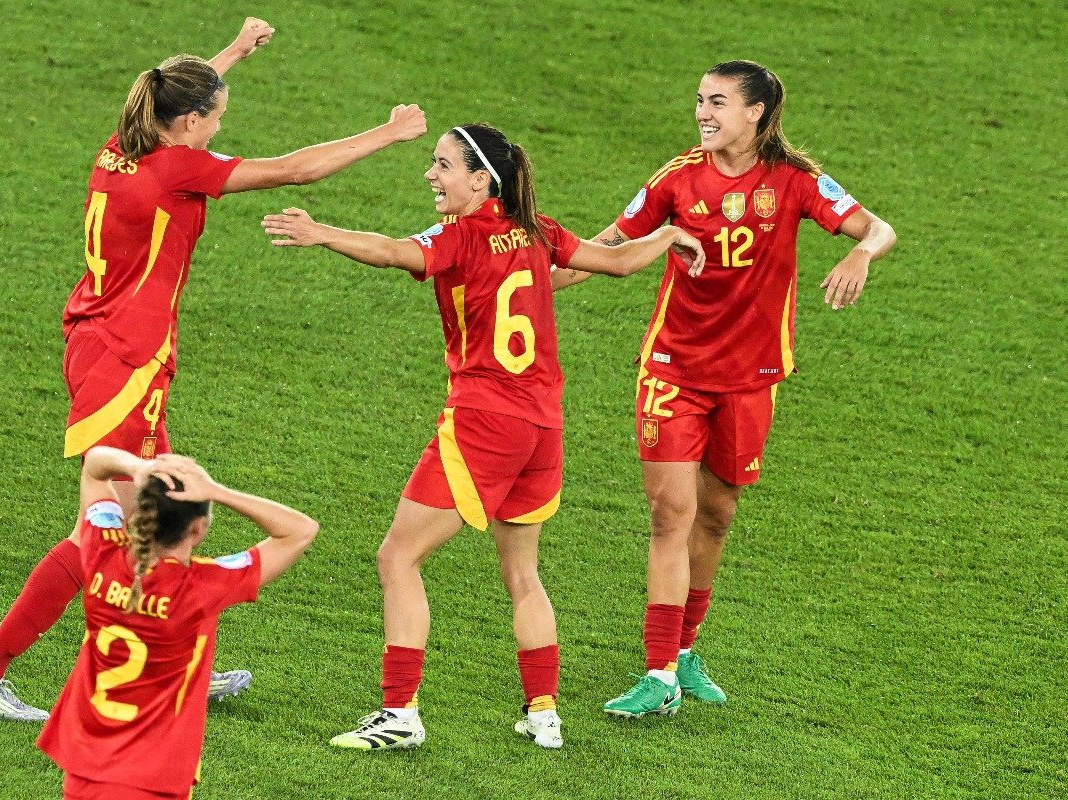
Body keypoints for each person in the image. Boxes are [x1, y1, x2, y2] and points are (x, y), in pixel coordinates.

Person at [0, 16, 426, 721]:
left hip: (106, 345)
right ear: (189, 123)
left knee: (167, 512)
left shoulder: (125, 145)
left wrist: (231, 53)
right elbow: (292, 169)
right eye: (214, 120)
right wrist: (388, 133)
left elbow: (170, 92)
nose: (215, 133)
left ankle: (169, 664)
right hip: (123, 366)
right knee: (97, 539)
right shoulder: (177, 170)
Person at [261, 123, 704, 749]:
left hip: (484, 421)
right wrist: (669, 234)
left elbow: (393, 251)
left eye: (442, 166)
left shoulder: (461, 235)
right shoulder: (536, 230)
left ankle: (400, 715)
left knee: (397, 557)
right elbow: (621, 262)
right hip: (544, 428)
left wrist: (319, 232)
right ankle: (544, 713)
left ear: (479, 179)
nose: (430, 176)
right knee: (523, 572)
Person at [552, 59, 897, 718]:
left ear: (756, 113)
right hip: (673, 372)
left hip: (752, 379)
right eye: (700, 102)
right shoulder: (678, 177)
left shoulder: (796, 182)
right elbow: (609, 244)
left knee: (715, 517)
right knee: (669, 515)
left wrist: (859, 254)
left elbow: (878, 228)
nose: (703, 113)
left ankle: (683, 651)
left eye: (717, 102)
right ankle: (657, 675)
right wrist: (533, 281)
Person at [34, 446, 318, 800]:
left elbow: (94, 468)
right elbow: (301, 530)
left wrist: (137, 465)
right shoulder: (200, 587)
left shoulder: (102, 552)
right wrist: (217, 491)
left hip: (83, 766)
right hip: (150, 777)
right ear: (198, 529)